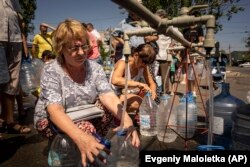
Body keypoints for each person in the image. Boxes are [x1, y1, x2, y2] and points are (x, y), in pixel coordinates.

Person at [34, 19, 139, 167]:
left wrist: (127, 121)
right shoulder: (52, 70)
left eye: (84, 46)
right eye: (74, 48)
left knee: (109, 111)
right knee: (85, 128)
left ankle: (92, 147)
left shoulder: (94, 68)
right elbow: (54, 110)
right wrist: (81, 137)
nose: (82, 52)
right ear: (61, 48)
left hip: (85, 112)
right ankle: (79, 149)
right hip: (51, 118)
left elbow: (107, 95)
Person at [0, 0, 31, 134]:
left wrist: (23, 42)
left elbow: (18, 18)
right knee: (1, 78)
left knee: (13, 80)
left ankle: (10, 120)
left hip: (15, 38)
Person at [110, 43, 157, 113]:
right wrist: (139, 84)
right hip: (112, 95)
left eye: (147, 63)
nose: (144, 65)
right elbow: (115, 80)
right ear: (136, 55)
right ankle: (116, 116)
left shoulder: (143, 67)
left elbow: (152, 83)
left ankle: (122, 116)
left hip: (125, 95)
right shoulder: (123, 63)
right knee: (137, 102)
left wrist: (152, 92)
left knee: (146, 96)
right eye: (143, 62)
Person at [153, 9, 183, 95]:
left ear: (162, 17)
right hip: (154, 55)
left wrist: (173, 45)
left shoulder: (170, 26)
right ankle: (153, 91)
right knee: (152, 75)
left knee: (165, 76)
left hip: (165, 55)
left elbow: (180, 36)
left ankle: (165, 93)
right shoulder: (154, 26)